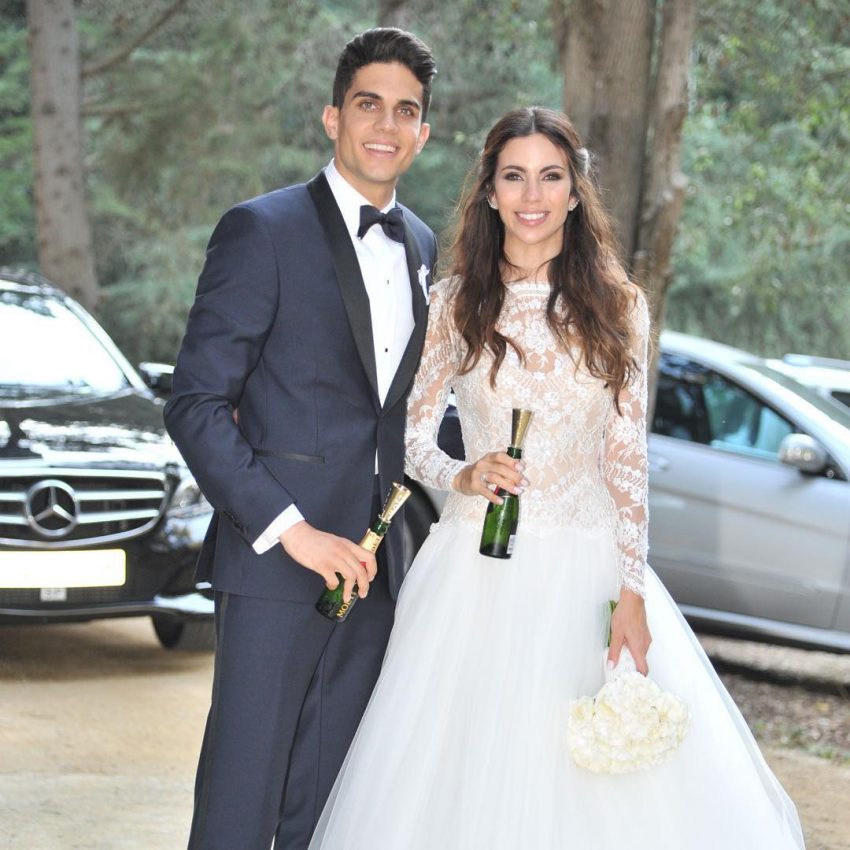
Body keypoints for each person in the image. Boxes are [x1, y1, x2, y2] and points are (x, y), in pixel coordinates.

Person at [307, 107, 806, 849]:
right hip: (473, 575)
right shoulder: (453, 302)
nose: (532, 195)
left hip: (586, 566)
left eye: (550, 177)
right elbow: (410, 436)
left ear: (575, 193)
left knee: (594, 783)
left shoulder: (619, 305)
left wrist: (632, 589)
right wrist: (464, 473)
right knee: (466, 774)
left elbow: (627, 457)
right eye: (514, 177)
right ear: (490, 192)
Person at [163, 28, 438, 850]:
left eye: (405, 110)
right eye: (368, 104)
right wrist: (294, 531)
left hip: (378, 573)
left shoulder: (425, 245)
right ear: (332, 117)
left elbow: (403, 412)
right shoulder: (261, 229)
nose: (385, 124)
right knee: (240, 804)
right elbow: (196, 403)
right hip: (276, 567)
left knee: (329, 809)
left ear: (424, 132)